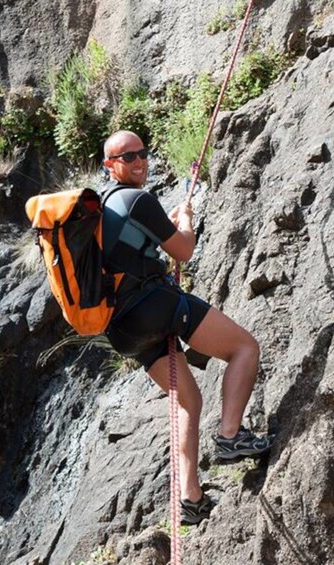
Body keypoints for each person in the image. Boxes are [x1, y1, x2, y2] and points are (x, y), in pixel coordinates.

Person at [101, 130, 274, 525]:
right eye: (128, 157)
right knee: (244, 348)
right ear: (111, 166)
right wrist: (188, 221)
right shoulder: (137, 199)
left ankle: (191, 499)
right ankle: (230, 437)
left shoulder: (103, 210)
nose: (139, 160)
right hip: (152, 307)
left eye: (142, 152)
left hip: (121, 330)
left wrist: (173, 226)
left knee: (187, 401)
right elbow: (183, 250)